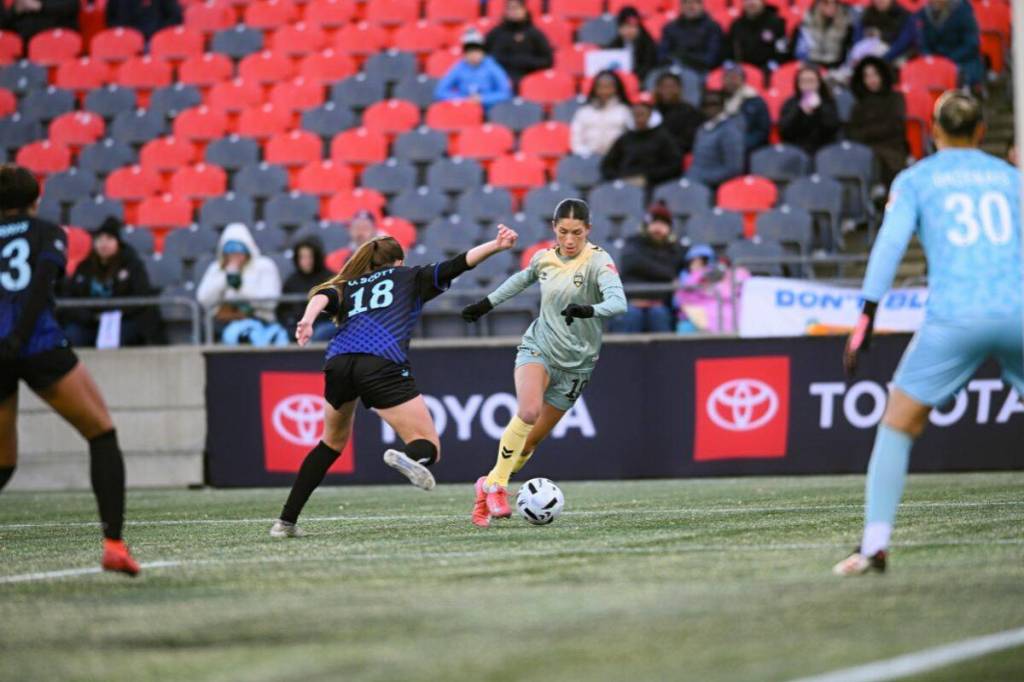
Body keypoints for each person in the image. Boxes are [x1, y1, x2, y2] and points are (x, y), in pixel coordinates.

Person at [834, 92, 1022, 576]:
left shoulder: (918, 179)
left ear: (933, 131)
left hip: (955, 317)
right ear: (982, 132)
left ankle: (875, 545)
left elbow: (890, 245)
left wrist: (866, 317)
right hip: (1018, 310)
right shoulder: (1010, 178)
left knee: (898, 423)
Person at [269, 226, 520, 538]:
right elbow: (460, 262)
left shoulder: (351, 284)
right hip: (380, 361)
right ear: (399, 262)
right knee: (428, 444)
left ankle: (285, 522)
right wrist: (496, 246)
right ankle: (410, 457)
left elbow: (323, 295)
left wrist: (307, 320)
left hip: (338, 361)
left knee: (329, 443)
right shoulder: (410, 277)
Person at [0, 164, 139, 576]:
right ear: (35, 200)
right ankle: (114, 544)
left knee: (3, 464)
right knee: (101, 433)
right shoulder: (47, 232)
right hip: (39, 343)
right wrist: (19, 337)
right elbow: (42, 281)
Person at [461, 199, 626, 527]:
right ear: (554, 228)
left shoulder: (598, 262)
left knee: (529, 443)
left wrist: (588, 310)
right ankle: (497, 487)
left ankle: (487, 483)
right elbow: (521, 280)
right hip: (539, 348)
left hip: (577, 366)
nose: (569, 240)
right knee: (528, 411)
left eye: (576, 233)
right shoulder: (544, 258)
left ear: (588, 231)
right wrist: (486, 303)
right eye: (563, 232)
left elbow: (618, 302)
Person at [61, 217, 164, 348]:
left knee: (122, 336)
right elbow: (70, 296)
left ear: (117, 242)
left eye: (109, 239)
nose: (103, 244)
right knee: (73, 335)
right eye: (100, 239)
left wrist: (115, 315)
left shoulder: (132, 265)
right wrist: (88, 316)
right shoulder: (84, 267)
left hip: (123, 321)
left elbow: (141, 296)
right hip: (89, 322)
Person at [196, 222, 287, 346]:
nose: (235, 255)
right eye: (230, 251)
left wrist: (241, 289)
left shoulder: (264, 266)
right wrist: (226, 278)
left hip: (261, 321)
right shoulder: (216, 268)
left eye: (239, 250)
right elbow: (203, 299)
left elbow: (270, 301)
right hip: (223, 322)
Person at [610, 202, 685, 333]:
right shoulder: (633, 243)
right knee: (632, 315)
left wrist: (647, 267)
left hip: (661, 305)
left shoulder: (675, 249)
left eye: (663, 224)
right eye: (654, 223)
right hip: (632, 302)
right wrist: (667, 273)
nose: (658, 228)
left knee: (658, 314)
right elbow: (632, 263)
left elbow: (676, 269)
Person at [846, 56, 908, 188]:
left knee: (879, 160)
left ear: (882, 75)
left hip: (892, 149)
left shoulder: (895, 98)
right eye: (866, 76)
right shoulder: (858, 105)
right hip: (865, 151)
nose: (871, 80)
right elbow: (853, 133)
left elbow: (894, 127)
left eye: (874, 74)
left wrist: (867, 133)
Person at [600, 95, 683, 189]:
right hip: (623, 182)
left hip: (654, 185)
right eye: (636, 115)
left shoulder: (664, 138)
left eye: (642, 114)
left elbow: (674, 164)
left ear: (651, 115)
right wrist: (619, 178)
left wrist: (649, 177)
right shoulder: (625, 138)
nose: (639, 119)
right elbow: (607, 165)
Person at [674, 243, 749, 333]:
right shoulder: (685, 277)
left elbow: (733, 288)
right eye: (693, 261)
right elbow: (679, 300)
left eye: (702, 261)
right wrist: (698, 277)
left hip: (725, 308)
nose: (697, 265)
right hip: (696, 313)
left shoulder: (721, 273)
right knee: (685, 327)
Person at [434, 27, 513, 111]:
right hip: (464, 110)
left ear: (483, 52)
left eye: (477, 50)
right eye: (470, 51)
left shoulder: (492, 66)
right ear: (465, 53)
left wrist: (482, 99)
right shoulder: (459, 67)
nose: (474, 54)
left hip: (489, 110)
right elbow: (440, 92)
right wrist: (464, 99)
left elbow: (506, 93)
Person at [484, 0, 552, 89]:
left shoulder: (534, 34)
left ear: (524, 10)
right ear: (505, 11)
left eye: (517, 8)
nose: (513, 12)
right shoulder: (496, 33)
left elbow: (547, 60)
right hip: (499, 81)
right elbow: (484, 56)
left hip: (530, 81)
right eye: (510, 8)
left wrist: (525, 62)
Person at [278, 237, 334, 343]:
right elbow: (282, 310)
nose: (306, 261)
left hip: (323, 324)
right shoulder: (291, 281)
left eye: (310, 257)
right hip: (296, 325)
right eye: (302, 257)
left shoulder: (330, 279)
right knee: (281, 335)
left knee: (318, 334)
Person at [917, 0, 984, 91]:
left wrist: (948, 60)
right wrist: (930, 59)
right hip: (935, 61)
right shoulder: (924, 13)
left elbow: (972, 44)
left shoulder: (963, 10)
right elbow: (923, 43)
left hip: (961, 60)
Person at [686, 90, 745, 188]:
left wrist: (701, 177)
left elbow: (734, 169)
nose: (710, 108)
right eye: (706, 105)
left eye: (714, 104)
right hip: (695, 182)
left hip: (716, 187)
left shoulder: (730, 131)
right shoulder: (702, 129)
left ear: (722, 106)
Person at [779, 64, 840, 155]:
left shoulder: (828, 102)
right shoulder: (790, 103)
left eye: (811, 81)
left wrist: (819, 109)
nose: (807, 85)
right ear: (798, 84)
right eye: (803, 81)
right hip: (795, 152)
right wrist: (799, 111)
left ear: (819, 83)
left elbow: (832, 128)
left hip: (823, 151)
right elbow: (784, 131)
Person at [570, 70, 633, 157]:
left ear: (616, 89)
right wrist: (586, 154)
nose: (604, 91)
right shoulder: (583, 112)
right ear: (595, 89)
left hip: (617, 159)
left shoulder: (625, 111)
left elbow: (631, 138)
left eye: (609, 87)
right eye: (601, 87)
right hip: (588, 159)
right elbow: (576, 141)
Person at [659, 0, 723, 74]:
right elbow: (662, 54)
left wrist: (686, 58)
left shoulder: (712, 28)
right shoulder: (670, 27)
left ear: (702, 5)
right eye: (686, 2)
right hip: (672, 68)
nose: (690, 6)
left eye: (695, 2)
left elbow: (711, 58)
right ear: (681, 6)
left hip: (700, 70)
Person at [723, 0, 788, 72]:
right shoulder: (736, 25)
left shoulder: (776, 23)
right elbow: (729, 49)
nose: (751, 2)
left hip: (768, 70)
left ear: (763, 2)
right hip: (742, 70)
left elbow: (782, 50)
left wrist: (773, 65)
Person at [721, 62, 771, 153]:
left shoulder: (755, 101)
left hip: (748, 149)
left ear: (742, 80)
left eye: (735, 78)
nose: (731, 81)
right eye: (727, 77)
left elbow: (762, 130)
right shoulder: (716, 100)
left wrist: (742, 144)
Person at [792, 0, 856, 70]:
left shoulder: (846, 24)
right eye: (826, 3)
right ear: (819, 4)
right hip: (810, 65)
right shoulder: (807, 23)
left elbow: (847, 51)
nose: (832, 6)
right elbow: (798, 49)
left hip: (835, 67)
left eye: (835, 3)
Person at [851, 0, 918, 65]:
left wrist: (881, 35)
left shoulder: (904, 14)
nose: (879, 1)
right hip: (866, 53)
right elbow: (858, 34)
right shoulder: (869, 12)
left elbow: (902, 43)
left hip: (892, 55)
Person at [654, 71, 704, 154]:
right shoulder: (652, 110)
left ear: (679, 89)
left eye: (671, 86)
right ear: (657, 89)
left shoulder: (689, 112)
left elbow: (689, 141)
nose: (667, 90)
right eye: (663, 86)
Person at [608, 6, 659, 83]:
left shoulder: (648, 44)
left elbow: (648, 67)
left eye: (633, 27)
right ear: (619, 28)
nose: (629, 30)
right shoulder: (614, 45)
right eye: (625, 26)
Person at [0, 0, 77, 46]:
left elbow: (73, 5)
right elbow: (4, 24)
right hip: (26, 45)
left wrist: (40, 6)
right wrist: (15, 10)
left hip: (57, 41)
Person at [105, 0, 182, 40]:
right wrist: (127, 33)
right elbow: (111, 19)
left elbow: (175, 16)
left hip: (155, 38)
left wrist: (159, 32)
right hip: (128, 40)